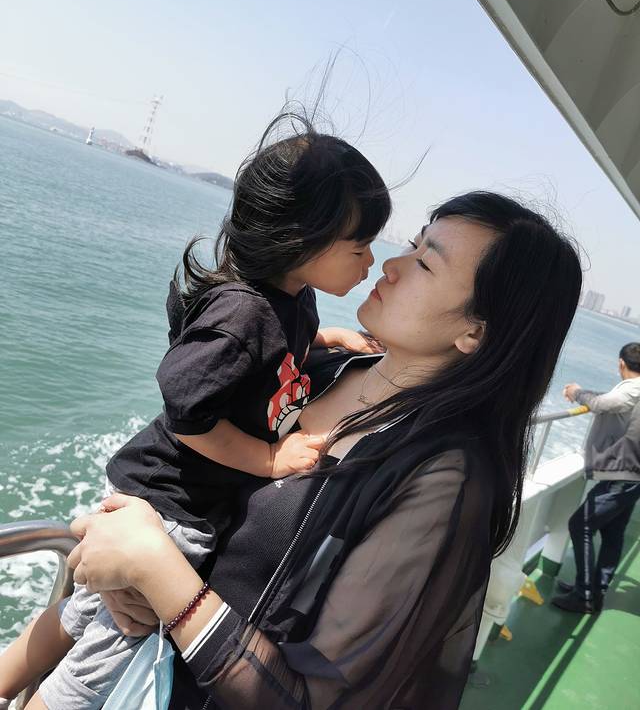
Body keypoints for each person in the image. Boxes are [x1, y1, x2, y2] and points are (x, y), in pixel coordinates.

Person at [48, 191, 579, 710]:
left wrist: (158, 574)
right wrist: (127, 572)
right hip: (124, 664)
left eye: (426, 264)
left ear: (474, 332)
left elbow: (314, 697)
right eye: (413, 244)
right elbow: (175, 462)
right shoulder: (317, 368)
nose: (391, 265)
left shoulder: (441, 481)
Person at [0, 113, 392, 710]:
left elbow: (272, 353)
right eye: (359, 247)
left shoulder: (292, 298)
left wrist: (325, 339)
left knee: (77, 614)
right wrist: (268, 458)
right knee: (98, 664)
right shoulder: (242, 313)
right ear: (300, 242)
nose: (371, 263)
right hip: (171, 504)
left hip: (164, 490)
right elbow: (188, 410)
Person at [552, 342, 640, 613]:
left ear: (621, 363)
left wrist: (577, 392)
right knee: (613, 533)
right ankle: (595, 589)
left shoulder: (634, 389)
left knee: (581, 525)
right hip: (631, 474)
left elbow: (604, 403)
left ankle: (585, 595)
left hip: (624, 474)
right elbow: (613, 400)